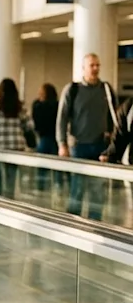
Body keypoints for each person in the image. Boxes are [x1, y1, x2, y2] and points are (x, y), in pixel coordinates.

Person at [57, 53, 122, 220]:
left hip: (100, 146)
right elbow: (62, 117)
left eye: (97, 65)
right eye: (92, 65)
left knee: (97, 190)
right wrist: (62, 143)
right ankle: (73, 223)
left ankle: (95, 223)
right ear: (83, 68)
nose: (95, 69)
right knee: (77, 188)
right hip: (78, 146)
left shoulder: (106, 89)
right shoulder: (73, 90)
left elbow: (115, 117)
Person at [0, 78, 34, 198]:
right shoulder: (20, 108)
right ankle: (9, 201)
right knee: (11, 181)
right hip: (16, 149)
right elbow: (29, 127)